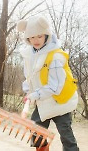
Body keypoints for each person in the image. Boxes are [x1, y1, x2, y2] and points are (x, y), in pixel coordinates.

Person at [17, 15, 79, 151]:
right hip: (43, 101)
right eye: (32, 37)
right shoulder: (29, 56)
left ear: (47, 35)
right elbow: (29, 78)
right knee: (36, 130)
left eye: (39, 36)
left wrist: (34, 95)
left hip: (61, 101)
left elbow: (55, 87)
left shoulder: (56, 56)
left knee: (66, 134)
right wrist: (28, 93)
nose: (35, 40)